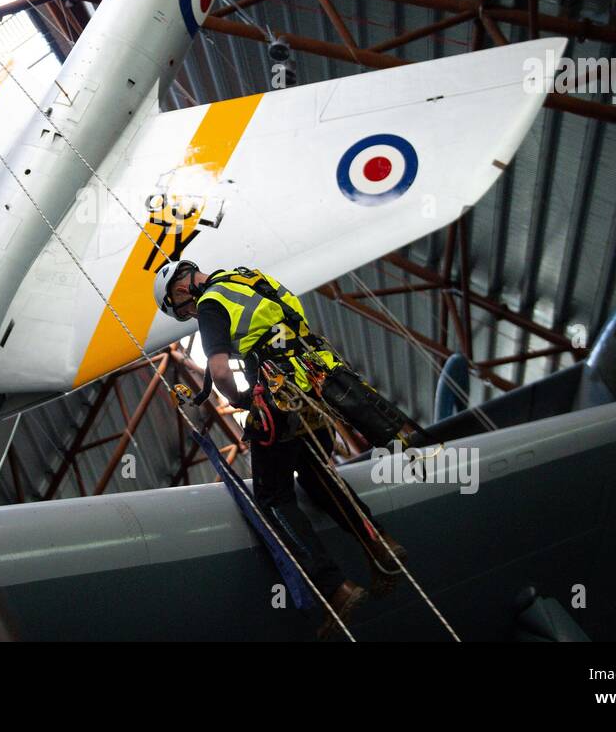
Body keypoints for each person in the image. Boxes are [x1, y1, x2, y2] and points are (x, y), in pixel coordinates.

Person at [154, 259, 425, 637]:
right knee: (319, 477)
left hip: (277, 404)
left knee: (272, 499)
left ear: (180, 291)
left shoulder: (212, 303)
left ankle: (336, 589)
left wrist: (243, 399)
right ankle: (379, 546)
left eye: (183, 310)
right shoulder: (248, 278)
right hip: (316, 392)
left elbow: (218, 372)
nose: (190, 313)